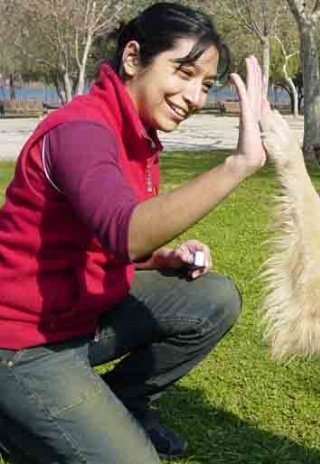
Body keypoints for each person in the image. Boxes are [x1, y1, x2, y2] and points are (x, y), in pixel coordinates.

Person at [0, 2, 270, 463]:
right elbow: (124, 233)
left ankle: (123, 403)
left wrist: (157, 260)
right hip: (24, 343)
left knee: (212, 299)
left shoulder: (137, 133)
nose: (195, 96)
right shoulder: (82, 131)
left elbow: (103, 240)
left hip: (79, 317)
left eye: (205, 85)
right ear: (132, 58)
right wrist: (239, 164)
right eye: (182, 73)